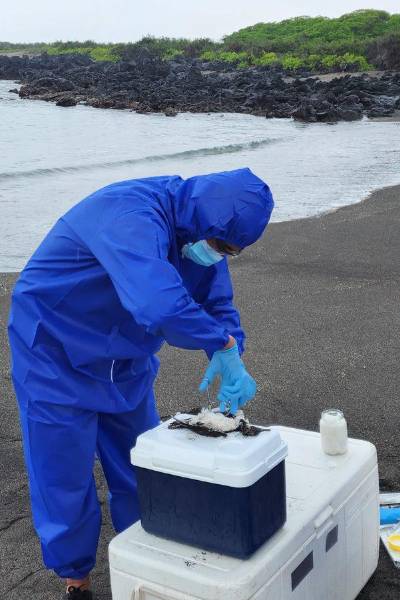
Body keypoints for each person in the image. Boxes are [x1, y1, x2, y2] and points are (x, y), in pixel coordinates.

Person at [7, 168, 274, 599]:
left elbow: (216, 301)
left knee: (141, 462)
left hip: (124, 355)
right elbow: (158, 304)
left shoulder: (201, 234)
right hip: (54, 348)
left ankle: (144, 553)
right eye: (221, 246)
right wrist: (218, 342)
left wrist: (232, 352)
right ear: (204, 222)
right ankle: (76, 576)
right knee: (63, 473)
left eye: (232, 252)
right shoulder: (129, 214)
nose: (221, 255)